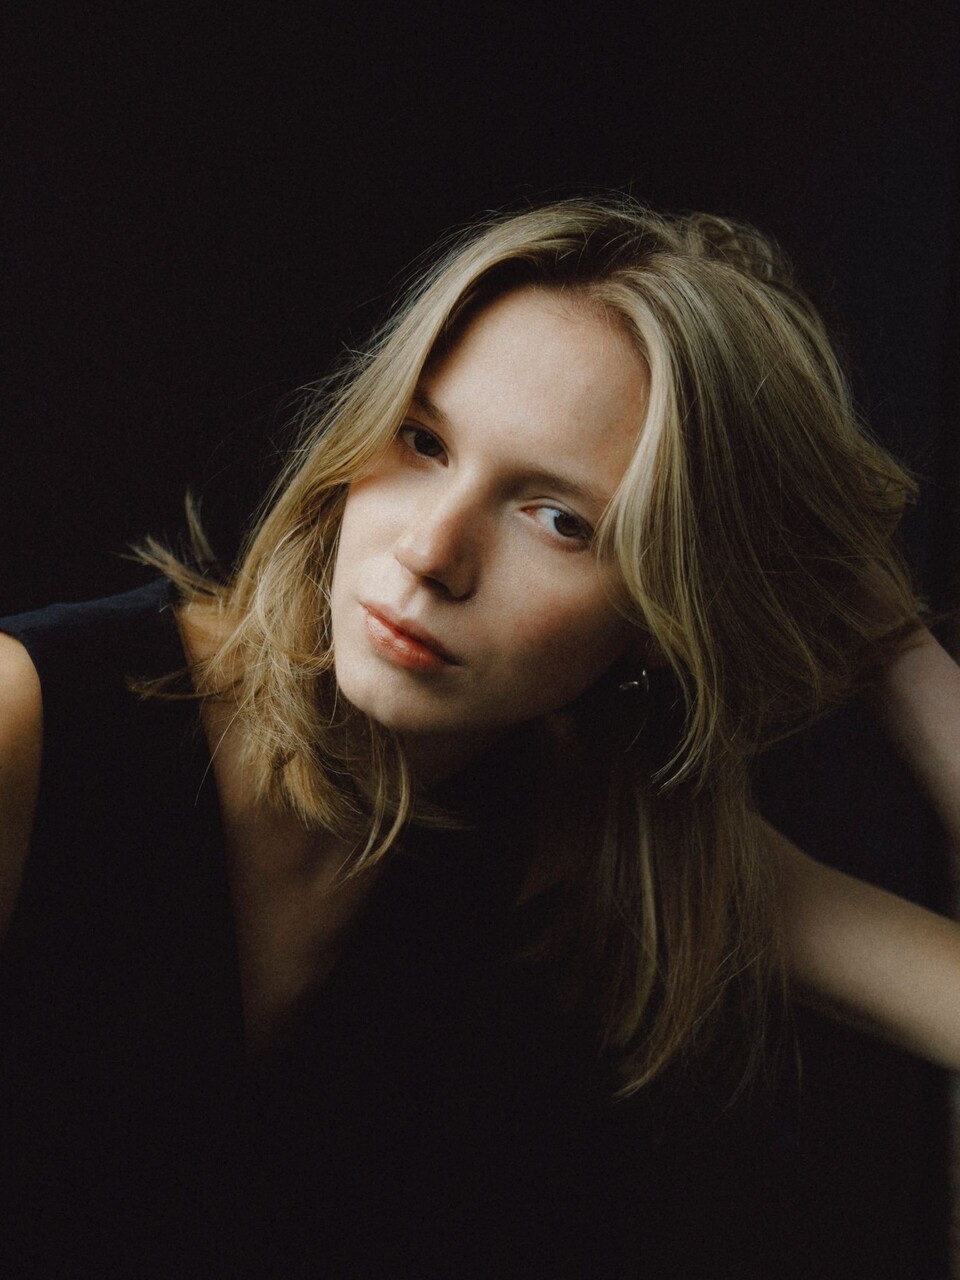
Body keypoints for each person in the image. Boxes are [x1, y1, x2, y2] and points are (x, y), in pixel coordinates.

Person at [0, 196, 956, 1275]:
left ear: (664, 612)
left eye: (559, 520)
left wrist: (892, 642)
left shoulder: (577, 824)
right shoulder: (27, 724)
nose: (429, 552)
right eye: (423, 440)